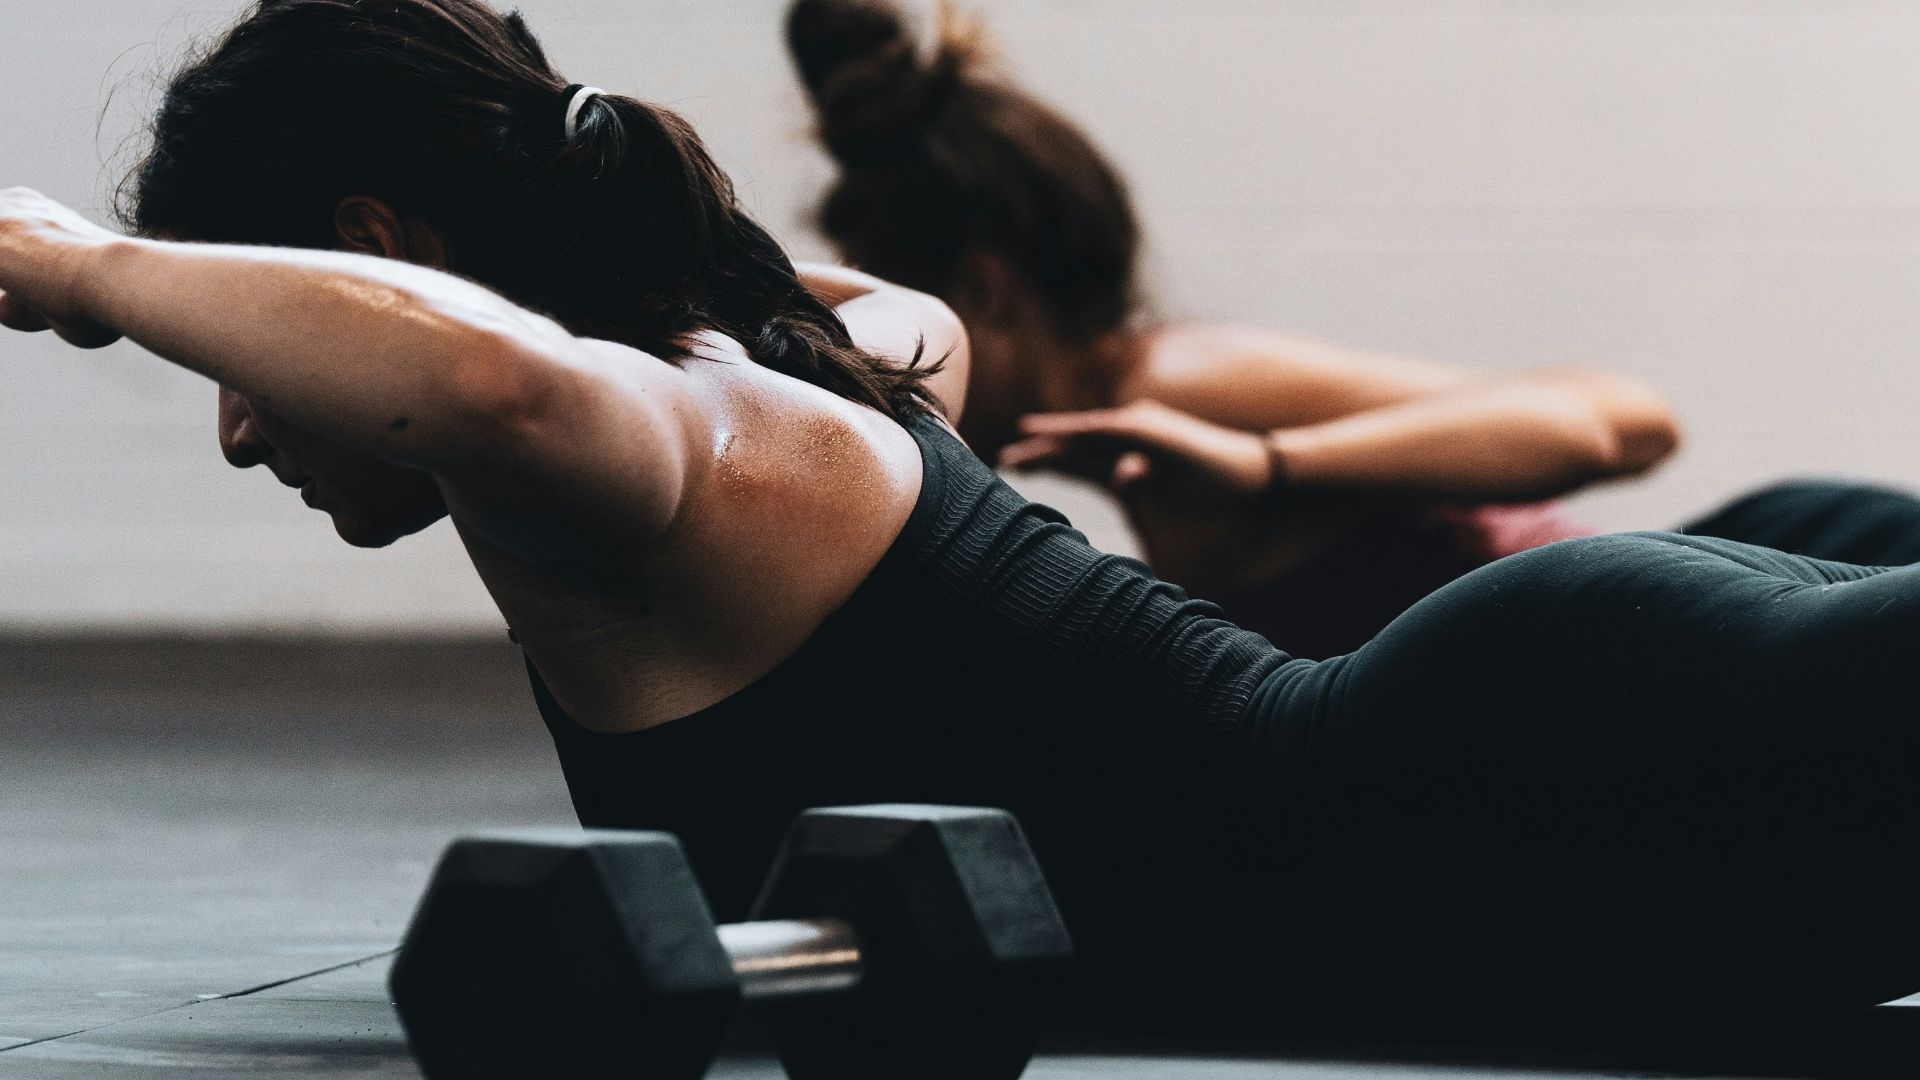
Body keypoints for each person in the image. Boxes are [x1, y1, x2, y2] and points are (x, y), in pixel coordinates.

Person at [5, 0, 1920, 1038]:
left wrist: (82, 268)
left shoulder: (649, 444)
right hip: (1579, 854)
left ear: (372, 258)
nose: (249, 425)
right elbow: (705, 312)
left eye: (241, 349)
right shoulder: (826, 349)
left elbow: (494, 379)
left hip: (1536, 800)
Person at [786, 0, 1920, 659]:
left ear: (985, 291)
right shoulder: (1146, 448)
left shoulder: (1187, 383)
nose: (892, 373)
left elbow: (1624, 422)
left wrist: (1269, 467)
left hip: (1743, 604)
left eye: (902, 323)